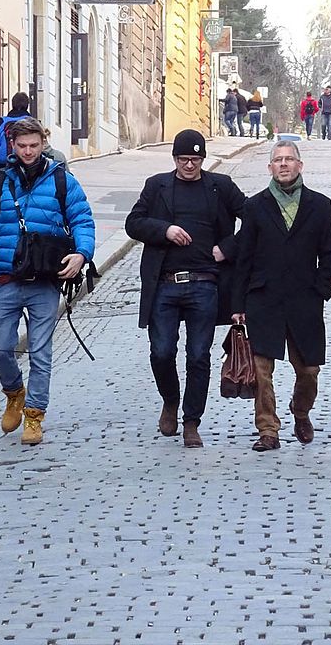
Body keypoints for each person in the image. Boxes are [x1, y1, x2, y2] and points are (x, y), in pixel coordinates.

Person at [0, 116, 96, 446]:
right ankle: (14, 392)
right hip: (6, 276)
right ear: (13, 147)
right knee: (2, 349)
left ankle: (34, 416)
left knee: (40, 352)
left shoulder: (62, 181)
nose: (29, 151)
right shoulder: (1, 181)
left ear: (43, 143)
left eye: (34, 145)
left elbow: (82, 221)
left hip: (45, 280)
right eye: (22, 146)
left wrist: (82, 254)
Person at [125, 129, 246, 448]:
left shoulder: (220, 187)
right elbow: (133, 223)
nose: (189, 165)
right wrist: (165, 229)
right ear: (174, 159)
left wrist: (228, 248)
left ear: (203, 160)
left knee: (198, 357)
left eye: (194, 159)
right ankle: (170, 400)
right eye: (183, 159)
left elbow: (255, 221)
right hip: (164, 285)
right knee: (161, 352)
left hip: (205, 285)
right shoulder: (157, 186)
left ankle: (192, 421)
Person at [231, 142, 331, 452]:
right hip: (264, 299)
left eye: (289, 159)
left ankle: (301, 410)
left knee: (308, 370)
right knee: (261, 371)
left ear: (300, 166)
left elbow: (330, 254)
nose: (283, 164)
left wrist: (322, 288)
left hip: (305, 301)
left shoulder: (320, 205)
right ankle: (268, 429)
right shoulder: (255, 206)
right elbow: (244, 258)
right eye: (277, 160)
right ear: (269, 168)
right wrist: (237, 304)